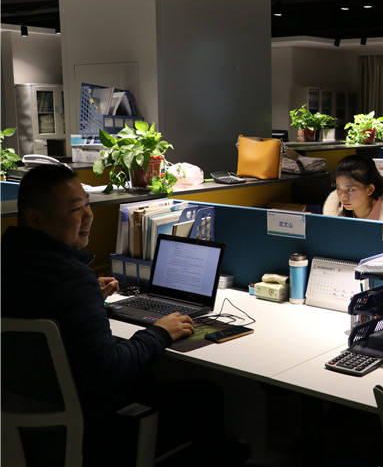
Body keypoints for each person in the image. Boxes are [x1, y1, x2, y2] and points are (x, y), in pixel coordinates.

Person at [0, 165, 243, 465]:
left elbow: (39, 309)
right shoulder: (71, 280)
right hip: (97, 432)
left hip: (23, 425)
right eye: (76, 209)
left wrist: (90, 298)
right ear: (35, 218)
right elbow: (109, 369)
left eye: (88, 205)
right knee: (205, 395)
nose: (89, 216)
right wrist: (160, 332)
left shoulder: (10, 261)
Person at [323, 154, 383, 224]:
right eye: (339, 188)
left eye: (350, 190)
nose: (343, 197)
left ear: (370, 189)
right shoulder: (336, 215)